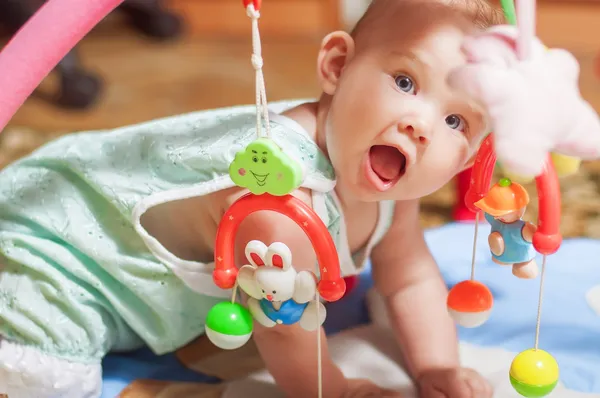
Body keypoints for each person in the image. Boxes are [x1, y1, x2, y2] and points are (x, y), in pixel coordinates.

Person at [0, 0, 503, 397]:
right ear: (337, 66)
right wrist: (339, 390)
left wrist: (439, 366)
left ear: (465, 162)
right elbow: (283, 330)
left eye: (456, 121)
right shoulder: (279, 205)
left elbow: (409, 276)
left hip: (144, 297)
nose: (422, 127)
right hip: (63, 258)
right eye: (405, 81)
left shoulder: (393, 181)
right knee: (46, 380)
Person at [475, 178, 538, 279]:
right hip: (500, 256)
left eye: (499, 213)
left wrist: (541, 234)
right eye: (494, 212)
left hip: (521, 259)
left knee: (526, 272)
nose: (495, 216)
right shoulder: (495, 220)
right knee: (523, 271)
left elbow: (534, 236)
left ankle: (522, 267)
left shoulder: (522, 228)